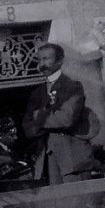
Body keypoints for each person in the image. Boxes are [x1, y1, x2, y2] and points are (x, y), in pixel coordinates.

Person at [22, 43, 96, 185]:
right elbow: (28, 128)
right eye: (39, 60)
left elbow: (67, 119)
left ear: (60, 61)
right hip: (48, 162)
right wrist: (51, 118)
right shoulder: (37, 94)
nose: (42, 64)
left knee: (79, 202)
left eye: (47, 59)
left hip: (73, 159)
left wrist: (40, 117)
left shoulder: (73, 87)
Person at [0, 117, 32, 182]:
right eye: (11, 135)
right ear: (1, 135)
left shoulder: (10, 151)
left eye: (15, 134)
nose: (16, 138)